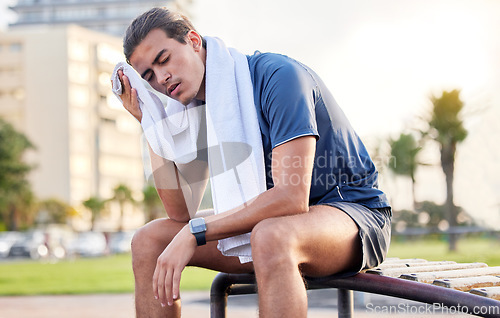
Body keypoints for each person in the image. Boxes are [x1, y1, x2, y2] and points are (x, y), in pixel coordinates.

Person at [115, 7, 391, 318]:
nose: (162, 78)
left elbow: (290, 198)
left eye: (163, 60)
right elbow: (180, 212)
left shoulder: (279, 77)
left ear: (193, 40)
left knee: (272, 235)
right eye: (148, 76)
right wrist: (151, 122)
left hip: (351, 214)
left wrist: (196, 231)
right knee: (149, 241)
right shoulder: (198, 110)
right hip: (269, 221)